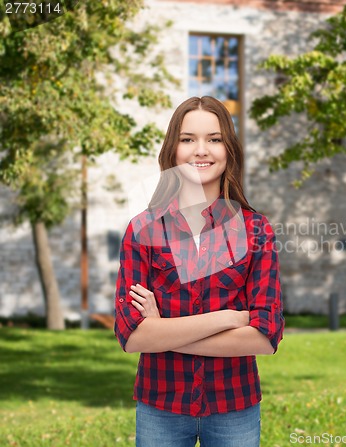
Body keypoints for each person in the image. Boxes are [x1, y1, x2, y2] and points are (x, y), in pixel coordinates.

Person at [114, 96, 285, 447]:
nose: (201, 150)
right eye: (188, 139)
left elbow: (265, 338)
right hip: (160, 405)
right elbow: (131, 337)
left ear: (229, 150)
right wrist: (231, 318)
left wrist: (163, 331)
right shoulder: (143, 229)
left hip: (234, 406)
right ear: (172, 150)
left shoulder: (255, 230)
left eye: (215, 139)